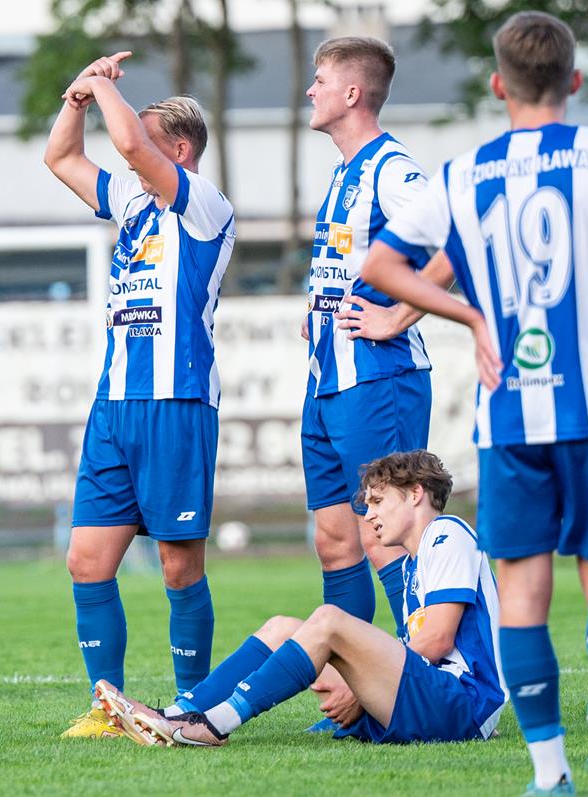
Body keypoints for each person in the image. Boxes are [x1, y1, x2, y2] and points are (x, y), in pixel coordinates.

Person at [360, 12, 588, 797]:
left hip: (511, 412)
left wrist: (470, 315)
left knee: (521, 595)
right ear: (574, 80)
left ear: (497, 85)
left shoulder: (464, 173)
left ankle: (550, 773)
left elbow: (380, 265)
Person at [43, 52, 235, 738]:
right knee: (86, 560)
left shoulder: (204, 204)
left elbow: (126, 142)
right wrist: (75, 100)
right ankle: (108, 706)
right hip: (115, 404)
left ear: (178, 151)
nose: (133, 154)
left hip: (176, 403)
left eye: (152, 143)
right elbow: (61, 159)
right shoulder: (132, 203)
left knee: (179, 566)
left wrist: (100, 85)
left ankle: (189, 705)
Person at [95, 450, 504, 750]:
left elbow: (436, 641)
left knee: (329, 619)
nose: (370, 516)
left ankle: (213, 725)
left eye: (378, 502)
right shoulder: (416, 561)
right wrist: (363, 686)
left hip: (460, 703)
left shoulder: (446, 534)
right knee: (283, 628)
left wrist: (359, 692)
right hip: (435, 695)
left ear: (416, 493)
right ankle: (174, 714)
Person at [296, 37, 455, 668]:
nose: (310, 90)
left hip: (379, 379)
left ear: (352, 92)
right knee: (335, 541)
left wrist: (398, 315)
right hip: (327, 382)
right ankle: (357, 687)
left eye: (320, 80)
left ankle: (430, 677)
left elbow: (452, 241)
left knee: (387, 533)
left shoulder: (392, 167)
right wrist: (317, 310)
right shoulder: (344, 171)